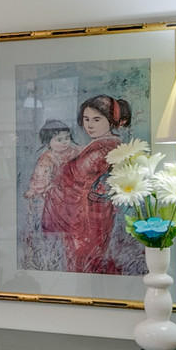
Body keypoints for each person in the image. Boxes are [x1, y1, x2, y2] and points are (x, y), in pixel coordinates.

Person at [41, 94, 133, 273]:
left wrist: (58, 184)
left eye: (97, 119)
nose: (90, 125)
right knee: (83, 261)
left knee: (87, 259)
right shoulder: (98, 145)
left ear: (111, 120)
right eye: (86, 119)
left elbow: (76, 177)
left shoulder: (107, 148)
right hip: (83, 212)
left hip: (90, 215)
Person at [23, 120, 78, 201]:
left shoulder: (74, 150)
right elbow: (40, 176)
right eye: (59, 140)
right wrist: (35, 190)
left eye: (67, 138)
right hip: (57, 189)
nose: (64, 142)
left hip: (74, 185)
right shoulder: (47, 158)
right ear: (48, 142)